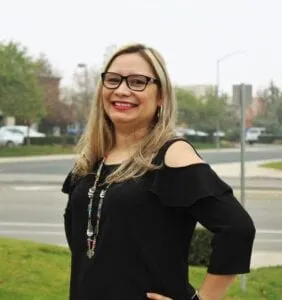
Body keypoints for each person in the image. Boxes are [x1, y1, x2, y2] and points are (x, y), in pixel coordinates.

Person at [62, 43, 256, 300]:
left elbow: (237, 228)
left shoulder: (171, 154)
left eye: (137, 82)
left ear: (161, 96)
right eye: (113, 80)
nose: (122, 90)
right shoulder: (90, 161)